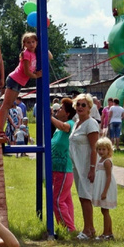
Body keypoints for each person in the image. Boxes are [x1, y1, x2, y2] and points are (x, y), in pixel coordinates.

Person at [0, 33, 41, 138]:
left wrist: (44, 48)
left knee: (9, 105)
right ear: (24, 44)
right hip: (15, 79)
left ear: (37, 43)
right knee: (6, 105)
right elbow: (26, 72)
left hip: (19, 82)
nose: (31, 44)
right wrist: (36, 76)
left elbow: (50, 56)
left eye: (33, 42)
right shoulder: (26, 54)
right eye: (28, 42)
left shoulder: (35, 53)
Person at [69, 93, 100, 239]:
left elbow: (94, 148)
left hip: (87, 165)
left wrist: (92, 168)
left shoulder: (91, 123)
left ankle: (89, 229)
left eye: (84, 105)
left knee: (86, 196)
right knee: (82, 196)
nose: (80, 107)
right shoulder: (76, 123)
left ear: (89, 108)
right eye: (78, 104)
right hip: (77, 165)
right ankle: (88, 228)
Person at [50, 98, 77, 233]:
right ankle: (69, 227)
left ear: (67, 113)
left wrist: (49, 117)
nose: (58, 110)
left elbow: (63, 126)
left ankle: (68, 229)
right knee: (65, 200)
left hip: (64, 169)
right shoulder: (58, 129)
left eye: (61, 108)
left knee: (57, 200)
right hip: (57, 169)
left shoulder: (70, 124)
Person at [91, 137, 118, 240]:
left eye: (103, 149)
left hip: (105, 188)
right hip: (101, 186)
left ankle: (106, 233)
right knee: (104, 210)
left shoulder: (107, 162)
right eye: (99, 149)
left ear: (109, 150)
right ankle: (109, 233)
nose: (101, 151)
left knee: (105, 211)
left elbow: (109, 177)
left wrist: (104, 192)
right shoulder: (101, 160)